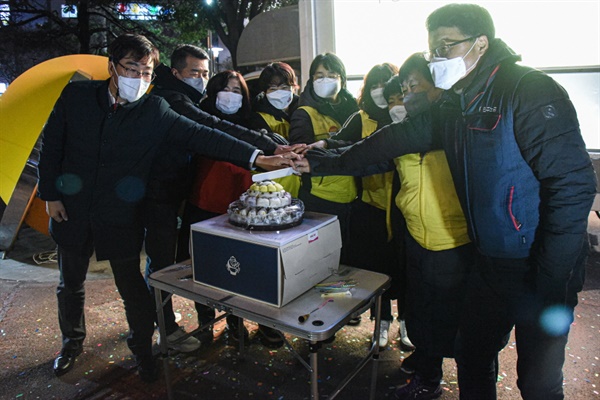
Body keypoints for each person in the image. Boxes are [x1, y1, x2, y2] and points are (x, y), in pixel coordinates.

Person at [295, 4, 596, 399]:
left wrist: (552, 274)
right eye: (432, 49)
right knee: (473, 356)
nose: (437, 58)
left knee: (538, 381)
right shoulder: (454, 103)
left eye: (445, 46)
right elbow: (391, 141)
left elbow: (572, 185)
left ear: (480, 43)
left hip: (543, 262)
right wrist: (318, 162)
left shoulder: (527, 90)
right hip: (492, 260)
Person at [37, 33, 297, 382]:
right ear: (112, 67)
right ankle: (71, 343)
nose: (140, 79)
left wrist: (257, 156)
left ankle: (143, 350)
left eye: (147, 72)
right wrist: (51, 194)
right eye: (132, 69)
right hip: (71, 208)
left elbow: (205, 134)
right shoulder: (77, 97)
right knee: (71, 283)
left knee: (132, 288)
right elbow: (51, 146)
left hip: (120, 215)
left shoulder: (154, 109)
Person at [146, 45, 300, 352]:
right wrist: (261, 153)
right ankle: (166, 326)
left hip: (220, 206)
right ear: (175, 73)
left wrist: (267, 145)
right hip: (173, 200)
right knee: (179, 267)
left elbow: (225, 130)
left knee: (239, 267)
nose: (201, 79)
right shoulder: (172, 101)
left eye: (205, 73)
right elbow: (213, 132)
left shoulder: (193, 102)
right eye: (195, 73)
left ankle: (230, 323)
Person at [383, 54, 477, 398]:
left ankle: (431, 380)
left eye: (415, 84)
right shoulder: (405, 130)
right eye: (404, 86)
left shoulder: (456, 124)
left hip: (453, 240)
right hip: (415, 236)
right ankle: (426, 362)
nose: (409, 92)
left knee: (449, 315)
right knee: (420, 310)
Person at [175, 70, 289, 346]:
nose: (231, 95)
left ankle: (246, 323)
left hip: (245, 210)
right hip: (203, 206)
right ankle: (207, 322)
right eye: (225, 89)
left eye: (237, 91)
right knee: (205, 269)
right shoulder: (198, 122)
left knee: (249, 267)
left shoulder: (252, 124)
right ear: (213, 93)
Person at [305, 63, 411, 347]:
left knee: (405, 269)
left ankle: (406, 322)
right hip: (370, 206)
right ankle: (382, 321)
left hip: (405, 209)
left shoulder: (411, 120)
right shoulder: (360, 118)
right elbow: (344, 145)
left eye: (388, 85)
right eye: (375, 85)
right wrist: (323, 146)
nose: (383, 94)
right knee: (374, 270)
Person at [289, 53, 359, 268]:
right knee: (322, 263)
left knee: (349, 263)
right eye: (319, 76)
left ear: (342, 79)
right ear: (311, 80)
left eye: (331, 75)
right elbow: (303, 155)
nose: (325, 80)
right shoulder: (304, 113)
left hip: (354, 198)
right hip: (320, 199)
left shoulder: (355, 111)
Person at [248, 62, 302, 197]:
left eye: (284, 87)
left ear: (294, 88)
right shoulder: (256, 116)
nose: (279, 93)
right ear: (265, 91)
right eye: (273, 88)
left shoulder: (303, 111)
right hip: (274, 189)